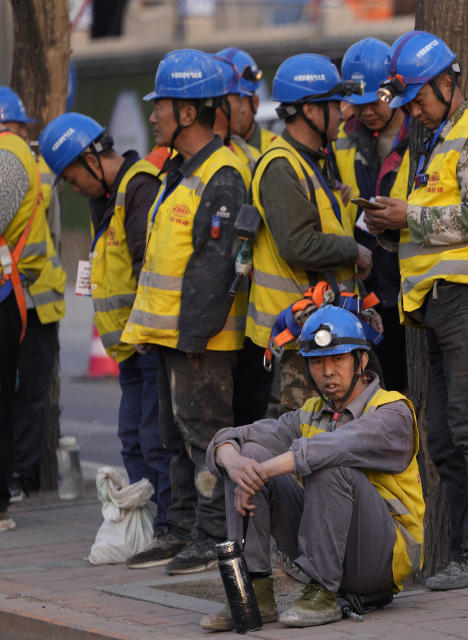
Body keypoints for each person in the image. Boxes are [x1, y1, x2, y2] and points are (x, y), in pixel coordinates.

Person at [364, 30, 468, 590]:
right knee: (447, 437)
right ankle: (461, 552)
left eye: (422, 100)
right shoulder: (426, 144)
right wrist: (384, 224)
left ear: (449, 83)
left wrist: (410, 219)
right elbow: (420, 223)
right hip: (435, 303)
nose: (416, 112)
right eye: (409, 105)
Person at [202, 305, 423, 631]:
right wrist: (236, 464)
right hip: (328, 545)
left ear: (361, 362)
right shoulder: (311, 413)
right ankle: (254, 592)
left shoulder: (392, 410)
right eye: (317, 362)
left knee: (326, 461)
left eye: (338, 359)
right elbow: (234, 437)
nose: (328, 371)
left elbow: (333, 448)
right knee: (250, 452)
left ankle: (322, 593)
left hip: (380, 558)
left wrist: (266, 470)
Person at [121, 49, 250, 574]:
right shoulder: (177, 170)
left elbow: (217, 267)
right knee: (175, 440)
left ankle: (212, 536)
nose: (153, 115)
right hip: (173, 338)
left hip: (201, 343)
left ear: (189, 114)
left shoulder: (223, 175)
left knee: (205, 441)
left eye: (162, 106)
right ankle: (181, 529)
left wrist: (193, 340)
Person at [38, 113, 180, 564]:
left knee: (155, 437)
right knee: (132, 437)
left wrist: (143, 325)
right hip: (129, 348)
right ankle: (145, 525)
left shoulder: (139, 187)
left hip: (149, 342)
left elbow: (146, 265)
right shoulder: (106, 197)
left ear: (90, 158)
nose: (73, 187)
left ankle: (171, 527)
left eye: (73, 176)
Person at [247, 53, 371, 413]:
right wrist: (354, 252)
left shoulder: (312, 158)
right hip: (296, 336)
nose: (343, 112)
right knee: (301, 441)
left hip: (319, 329)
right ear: (310, 111)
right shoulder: (282, 165)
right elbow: (298, 244)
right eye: (335, 103)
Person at [0, 86, 66, 506]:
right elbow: (55, 231)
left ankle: (19, 476)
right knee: (28, 394)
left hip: (24, 292)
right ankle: (20, 475)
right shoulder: (39, 166)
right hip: (35, 290)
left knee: (20, 392)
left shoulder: (11, 160)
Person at [333, 37, 411, 392]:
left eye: (375, 101)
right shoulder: (341, 141)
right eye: (358, 104)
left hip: (410, 286)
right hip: (365, 290)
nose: (367, 112)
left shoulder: (420, 137)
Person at [209, 50, 274, 430]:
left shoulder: (263, 153)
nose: (252, 109)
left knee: (252, 416)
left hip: (253, 313)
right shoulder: (198, 156)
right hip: (215, 316)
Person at [214, 47, 276, 170]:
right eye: (220, 102)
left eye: (238, 101)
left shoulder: (274, 147)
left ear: (255, 103)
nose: (225, 109)